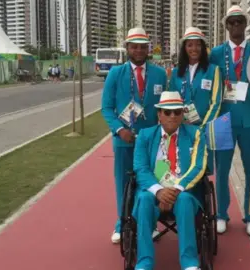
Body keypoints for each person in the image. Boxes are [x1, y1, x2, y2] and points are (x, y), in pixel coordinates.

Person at [101, 27, 167, 244]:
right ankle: (122, 223)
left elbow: (165, 107)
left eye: (142, 47)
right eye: (134, 46)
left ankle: (150, 224)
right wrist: (120, 130)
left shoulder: (159, 74)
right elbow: (107, 108)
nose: (139, 50)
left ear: (148, 48)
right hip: (124, 141)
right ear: (127, 48)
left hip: (151, 142)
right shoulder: (115, 74)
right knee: (123, 184)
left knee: (150, 183)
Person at [209, 5, 250, 237]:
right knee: (221, 171)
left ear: (245, 24)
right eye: (231, 22)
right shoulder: (215, 54)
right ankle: (222, 215)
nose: (235, 26)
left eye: (239, 21)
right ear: (226, 26)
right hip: (222, 121)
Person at [133, 91, 207, 270]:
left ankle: (189, 262)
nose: (172, 116)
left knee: (184, 200)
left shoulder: (195, 134)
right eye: (167, 112)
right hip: (153, 190)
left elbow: (198, 166)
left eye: (177, 112)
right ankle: (144, 263)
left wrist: (175, 191)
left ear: (183, 113)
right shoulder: (145, 135)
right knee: (143, 199)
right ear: (159, 114)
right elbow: (140, 168)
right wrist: (159, 191)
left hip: (183, 191)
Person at [169, 27, 222, 173]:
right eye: (190, 44)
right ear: (184, 48)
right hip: (181, 129)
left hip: (202, 131)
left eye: (198, 44)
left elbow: (216, 103)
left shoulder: (213, 70)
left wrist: (202, 128)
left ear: (203, 47)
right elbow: (171, 100)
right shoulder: (176, 73)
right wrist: (177, 122)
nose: (194, 48)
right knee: (180, 169)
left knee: (201, 170)